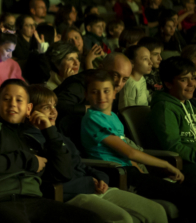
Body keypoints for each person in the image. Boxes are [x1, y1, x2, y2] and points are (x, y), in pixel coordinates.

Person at [0, 79, 103, 223]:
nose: (12, 104)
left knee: (94, 219)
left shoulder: (33, 137)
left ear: (28, 109)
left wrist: (50, 131)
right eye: (6, 99)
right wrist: (30, 160)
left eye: (19, 100)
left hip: (34, 200)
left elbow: (64, 173)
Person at [26, 85, 168, 223]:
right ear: (30, 111)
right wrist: (89, 182)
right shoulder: (31, 140)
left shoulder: (58, 135)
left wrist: (100, 177)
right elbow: (61, 175)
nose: (53, 111)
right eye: (46, 107)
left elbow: (80, 163)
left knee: (157, 211)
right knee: (122, 218)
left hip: (93, 187)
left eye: (54, 106)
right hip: (73, 195)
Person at [81, 69, 196, 218]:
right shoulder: (92, 119)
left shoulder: (113, 116)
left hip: (131, 170)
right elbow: (130, 152)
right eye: (95, 92)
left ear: (115, 93)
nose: (101, 96)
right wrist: (166, 164)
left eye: (106, 91)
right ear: (86, 95)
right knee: (189, 197)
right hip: (118, 174)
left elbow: (126, 152)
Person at [54, 52, 132, 143]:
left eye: (124, 79)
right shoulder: (81, 83)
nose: (119, 83)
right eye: (115, 75)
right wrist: (91, 108)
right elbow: (58, 105)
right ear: (100, 68)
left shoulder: (113, 89)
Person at [148, 56, 196, 190]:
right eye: (183, 79)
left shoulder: (188, 103)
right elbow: (173, 146)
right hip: (182, 164)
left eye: (193, 78)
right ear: (168, 83)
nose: (191, 83)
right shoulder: (164, 108)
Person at [118, 44, 153, 110]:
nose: (151, 62)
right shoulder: (129, 84)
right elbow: (128, 111)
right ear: (132, 63)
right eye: (145, 59)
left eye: (150, 58)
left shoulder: (141, 78)